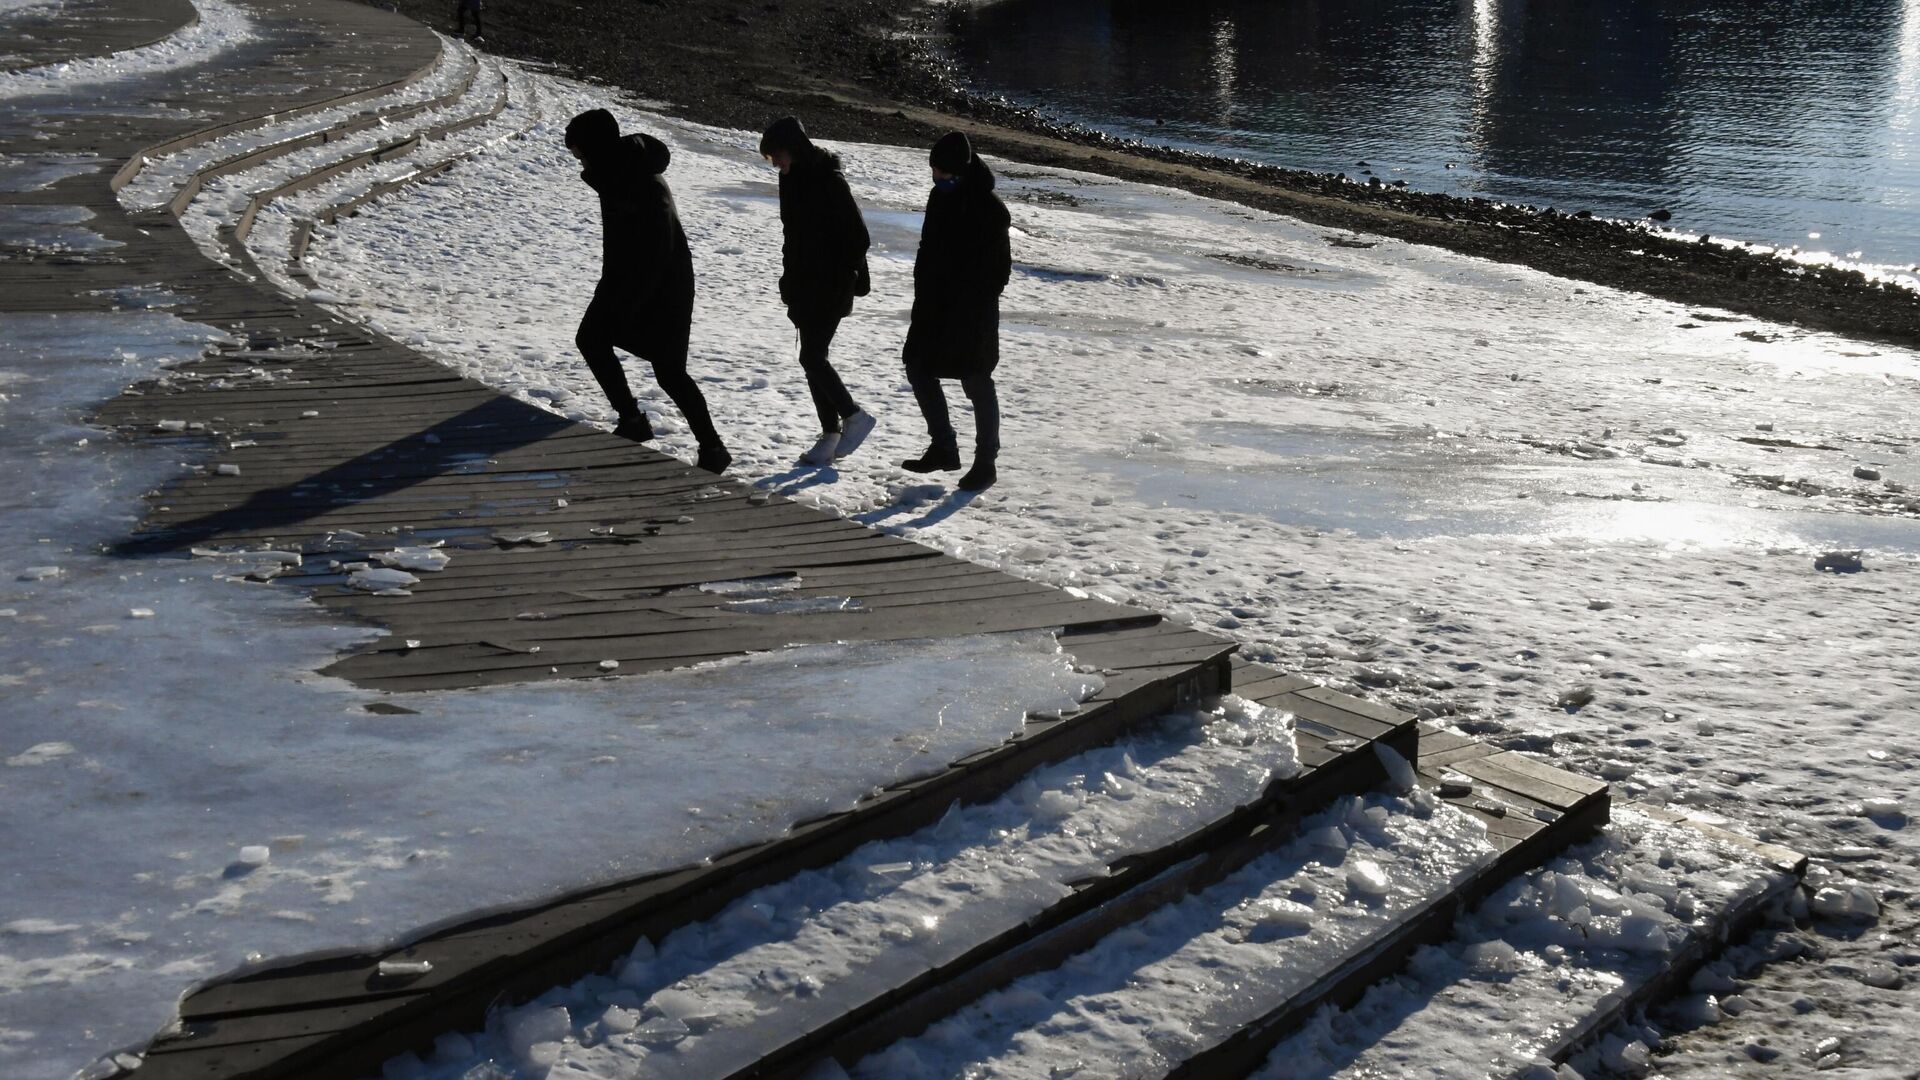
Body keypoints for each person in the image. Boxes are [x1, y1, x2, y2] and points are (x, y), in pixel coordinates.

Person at [565, 108, 730, 474]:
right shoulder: (621, 171)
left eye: (579, 151)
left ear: (594, 146)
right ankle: (636, 422)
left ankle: (711, 447)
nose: (579, 160)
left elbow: (657, 247)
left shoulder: (635, 179)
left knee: (668, 371)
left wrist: (631, 301)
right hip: (636, 284)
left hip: (660, 289)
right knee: (595, 340)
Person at [760, 116, 877, 466]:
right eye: (771, 158)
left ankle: (854, 417)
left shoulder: (828, 180)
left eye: (777, 154)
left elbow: (859, 237)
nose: (775, 163)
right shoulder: (791, 179)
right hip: (805, 284)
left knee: (812, 357)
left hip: (829, 284)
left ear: (793, 148)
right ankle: (830, 435)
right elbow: (792, 236)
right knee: (812, 359)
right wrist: (790, 280)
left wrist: (839, 276)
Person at [900, 131, 1011, 492]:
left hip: (971, 313)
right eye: (934, 172)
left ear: (960, 172)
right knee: (918, 368)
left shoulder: (990, 210)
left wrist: (968, 299)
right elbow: (927, 247)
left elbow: (998, 272)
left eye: (943, 173)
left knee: (976, 381)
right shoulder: (939, 197)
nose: (937, 179)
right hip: (933, 305)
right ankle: (943, 446)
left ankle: (986, 462)